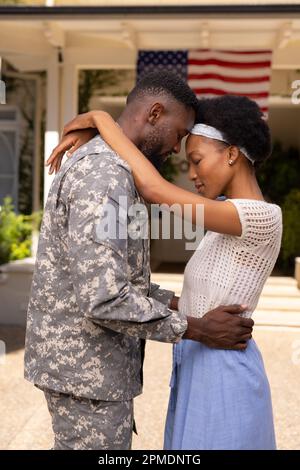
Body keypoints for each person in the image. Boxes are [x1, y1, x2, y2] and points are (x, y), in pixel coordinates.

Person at [25, 72, 252, 451]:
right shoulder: (106, 175)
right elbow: (106, 298)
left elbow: (125, 282)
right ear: (155, 113)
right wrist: (197, 329)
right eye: (178, 134)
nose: (177, 149)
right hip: (85, 373)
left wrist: (181, 303)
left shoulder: (118, 169)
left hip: (90, 371)